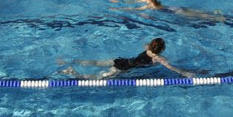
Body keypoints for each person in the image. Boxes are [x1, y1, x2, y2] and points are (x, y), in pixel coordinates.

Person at [60, 38, 195, 79]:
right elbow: (171, 68)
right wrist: (185, 73)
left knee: (95, 62)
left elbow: (145, 44)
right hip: (124, 67)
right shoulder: (159, 59)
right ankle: (73, 72)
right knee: (96, 78)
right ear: (162, 50)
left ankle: (71, 61)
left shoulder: (147, 49)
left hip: (121, 60)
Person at [109, 0, 223, 21]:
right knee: (197, 13)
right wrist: (117, 1)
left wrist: (118, 8)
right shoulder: (150, 2)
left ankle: (216, 17)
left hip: (176, 11)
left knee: (198, 17)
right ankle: (214, 12)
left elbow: (134, 9)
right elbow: (133, 3)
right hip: (176, 7)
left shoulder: (150, 6)